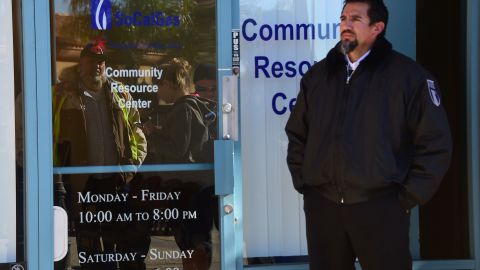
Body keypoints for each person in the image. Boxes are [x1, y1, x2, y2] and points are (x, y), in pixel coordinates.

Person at [285, 1, 452, 269]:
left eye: (355, 19)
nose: (346, 25)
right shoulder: (319, 76)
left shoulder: (408, 78)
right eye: (343, 18)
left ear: (377, 27)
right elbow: (297, 133)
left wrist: (406, 198)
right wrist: (306, 183)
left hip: (381, 207)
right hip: (324, 207)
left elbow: (435, 144)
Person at [53, 41, 148, 269]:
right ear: (81, 64)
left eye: (101, 62)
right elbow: (51, 133)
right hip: (83, 183)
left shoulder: (120, 93)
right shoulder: (64, 95)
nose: (97, 66)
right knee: (89, 244)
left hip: (116, 182)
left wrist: (132, 167)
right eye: (91, 61)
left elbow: (136, 130)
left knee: (120, 242)